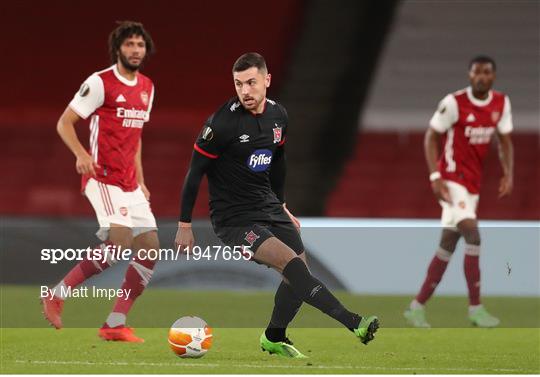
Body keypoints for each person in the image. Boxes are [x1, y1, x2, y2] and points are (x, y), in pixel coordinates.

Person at [175, 52, 379, 358]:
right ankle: (354, 323)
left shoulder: (278, 116)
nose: (245, 90)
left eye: (251, 82)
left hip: (269, 206)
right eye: (238, 83)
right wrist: (185, 224)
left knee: (298, 273)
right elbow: (195, 174)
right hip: (235, 219)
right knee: (292, 265)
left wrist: (282, 204)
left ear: (267, 81)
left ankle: (274, 336)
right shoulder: (221, 124)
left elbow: (278, 160)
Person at [41, 21, 159, 342]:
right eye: (130, 44)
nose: (136, 50)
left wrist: (142, 181)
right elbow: (65, 123)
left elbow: (135, 139)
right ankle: (57, 294)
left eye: (140, 45)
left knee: (149, 249)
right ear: (118, 49)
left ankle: (115, 323)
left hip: (131, 182)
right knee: (120, 241)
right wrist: (80, 154)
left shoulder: (147, 87)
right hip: (102, 177)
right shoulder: (100, 82)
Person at [404, 56, 514, 328]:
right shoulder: (454, 102)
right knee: (473, 235)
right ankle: (476, 309)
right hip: (452, 180)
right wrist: (435, 176)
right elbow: (431, 136)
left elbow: (505, 141)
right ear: (469, 75)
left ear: (493, 77)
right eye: (476, 72)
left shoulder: (501, 103)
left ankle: (416, 307)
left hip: (472, 185)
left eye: (486, 73)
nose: (481, 77)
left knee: (447, 245)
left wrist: (508, 173)